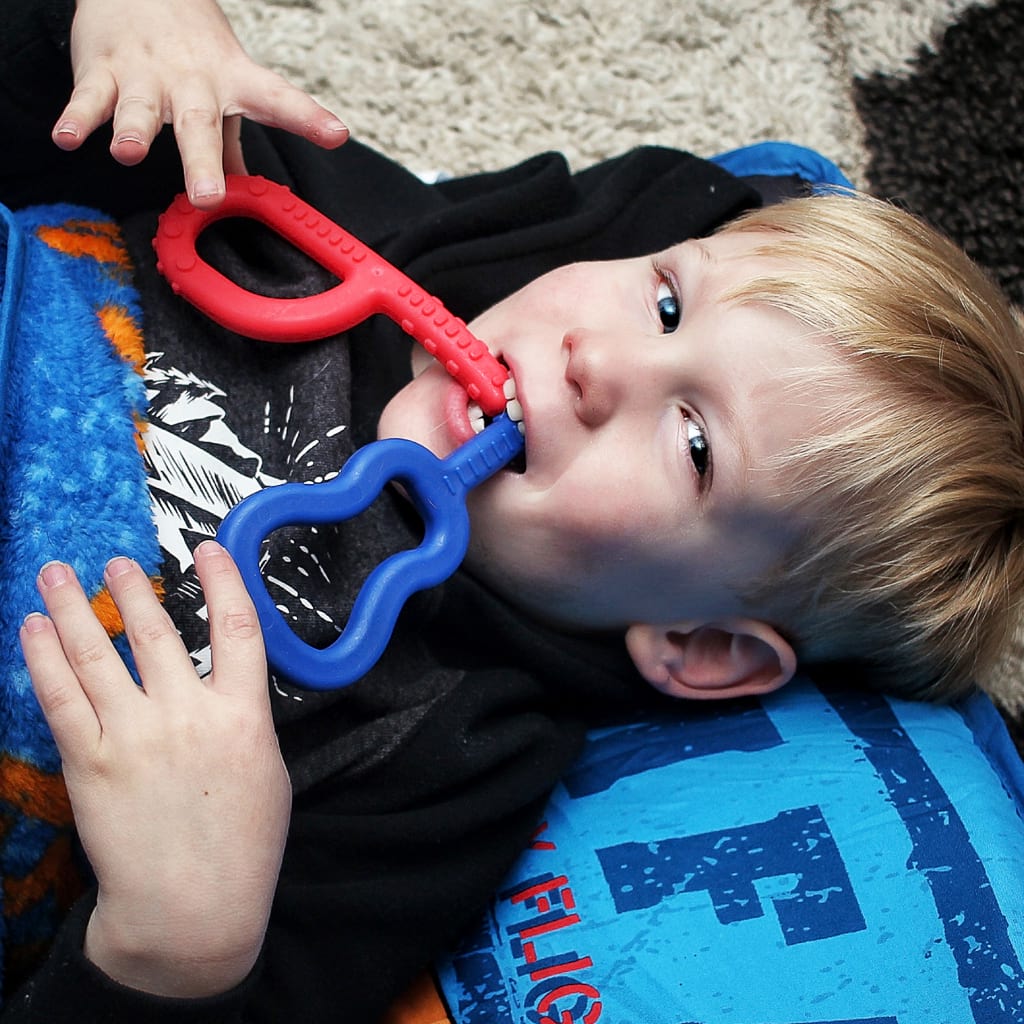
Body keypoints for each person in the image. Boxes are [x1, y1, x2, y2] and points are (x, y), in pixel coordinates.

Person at [2, 0, 1023, 1020]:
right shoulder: (355, 232)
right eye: (665, 302)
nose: (600, 361)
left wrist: (176, 944)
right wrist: (106, 26)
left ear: (701, 643)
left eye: (695, 444)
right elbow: (76, 118)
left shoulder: (452, 767)